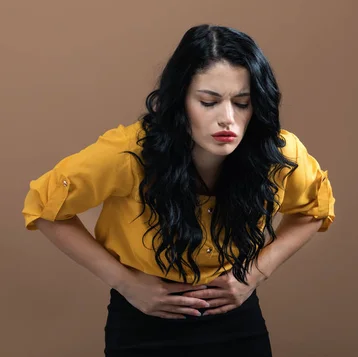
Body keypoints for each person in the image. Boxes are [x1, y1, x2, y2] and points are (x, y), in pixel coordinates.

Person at [21, 24, 335, 356]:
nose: (227, 118)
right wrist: (127, 284)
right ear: (180, 100)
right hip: (144, 320)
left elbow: (314, 210)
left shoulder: (279, 153)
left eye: (242, 103)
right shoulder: (127, 153)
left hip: (235, 318)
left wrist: (254, 275)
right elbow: (44, 207)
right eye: (209, 102)